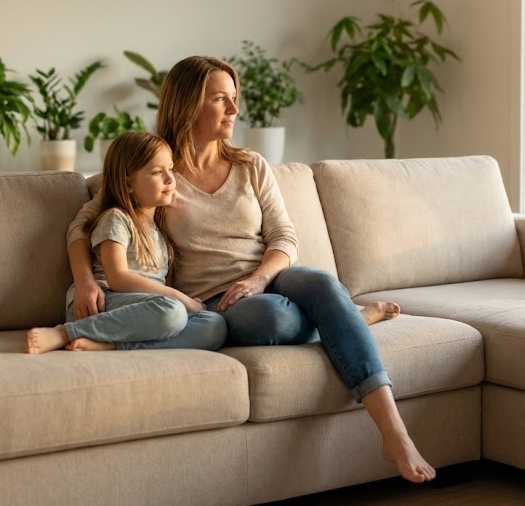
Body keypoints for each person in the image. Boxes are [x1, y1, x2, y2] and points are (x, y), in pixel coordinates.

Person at [66, 56, 434, 483]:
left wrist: (258, 277)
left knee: (320, 282)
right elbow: (83, 223)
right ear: (187, 104)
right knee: (274, 317)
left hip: (270, 277)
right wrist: (85, 278)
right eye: (221, 99)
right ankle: (351, 318)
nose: (234, 110)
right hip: (216, 301)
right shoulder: (156, 168)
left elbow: (285, 238)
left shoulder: (250, 165)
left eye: (234, 99)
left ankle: (394, 432)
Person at [26, 131, 226, 354]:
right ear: (128, 184)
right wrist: (181, 298)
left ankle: (111, 344)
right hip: (99, 304)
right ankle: (66, 332)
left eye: (171, 169)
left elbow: (162, 289)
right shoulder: (116, 219)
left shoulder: (162, 236)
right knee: (172, 310)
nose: (170, 179)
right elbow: (118, 278)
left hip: (142, 312)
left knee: (214, 324)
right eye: (158, 172)